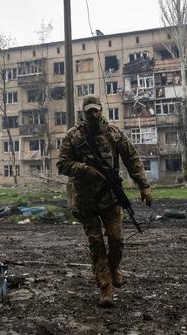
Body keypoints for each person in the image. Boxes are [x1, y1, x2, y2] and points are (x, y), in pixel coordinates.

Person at [57, 95, 152, 307]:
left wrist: (144, 186)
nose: (93, 114)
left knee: (117, 239)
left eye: (96, 110)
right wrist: (83, 169)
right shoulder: (73, 136)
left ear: (101, 110)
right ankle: (105, 287)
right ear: (83, 112)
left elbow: (132, 159)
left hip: (110, 198)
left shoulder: (113, 134)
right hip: (85, 200)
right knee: (96, 243)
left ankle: (114, 267)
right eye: (89, 111)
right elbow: (62, 164)